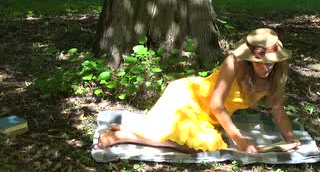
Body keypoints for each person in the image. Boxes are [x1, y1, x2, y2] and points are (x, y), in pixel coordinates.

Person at [95, 28, 301, 153]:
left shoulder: (275, 76)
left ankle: (127, 132)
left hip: (208, 117)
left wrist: (290, 138)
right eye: (261, 62)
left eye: (271, 63)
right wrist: (239, 138)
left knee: (199, 145)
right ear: (249, 57)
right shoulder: (234, 63)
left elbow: (278, 111)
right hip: (189, 97)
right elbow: (216, 104)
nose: (267, 67)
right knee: (199, 145)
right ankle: (126, 136)